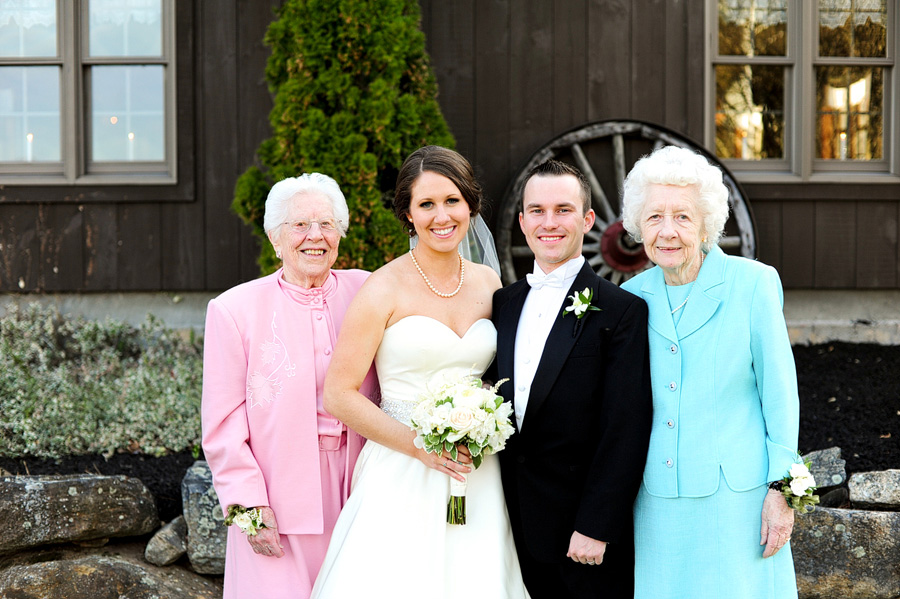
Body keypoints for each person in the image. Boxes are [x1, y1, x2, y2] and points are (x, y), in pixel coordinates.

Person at [310, 146, 529, 598]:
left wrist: (481, 417)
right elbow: (339, 394)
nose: (441, 215)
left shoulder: (489, 282)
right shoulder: (382, 287)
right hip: (401, 466)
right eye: (426, 204)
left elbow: (500, 371)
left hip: (476, 469)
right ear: (408, 215)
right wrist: (420, 447)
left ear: (471, 205)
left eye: (452, 201)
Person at [620, 145, 800, 599]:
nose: (667, 231)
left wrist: (783, 491)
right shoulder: (631, 295)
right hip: (657, 500)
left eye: (682, 216)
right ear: (638, 225)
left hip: (737, 501)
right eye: (654, 217)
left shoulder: (754, 283)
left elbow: (780, 394)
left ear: (705, 224)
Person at [201, 173, 378, 599]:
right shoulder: (233, 310)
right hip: (277, 497)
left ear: (340, 234)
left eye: (327, 224)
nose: (314, 236)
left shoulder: (370, 290)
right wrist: (248, 505)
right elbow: (222, 425)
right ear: (275, 238)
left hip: (364, 487)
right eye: (300, 225)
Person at [491, 159, 653, 598]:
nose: (549, 223)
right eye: (537, 211)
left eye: (563, 210)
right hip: (506, 521)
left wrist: (596, 525)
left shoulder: (620, 311)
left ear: (587, 219)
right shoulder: (503, 303)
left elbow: (626, 426)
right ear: (522, 222)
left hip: (580, 535)